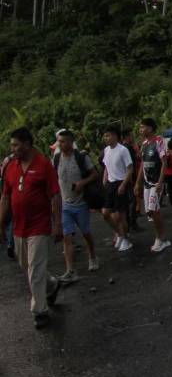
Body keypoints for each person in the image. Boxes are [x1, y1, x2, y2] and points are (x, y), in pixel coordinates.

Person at [0, 127, 64, 329]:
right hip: (19, 228)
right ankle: (52, 285)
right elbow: (5, 196)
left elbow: (55, 195)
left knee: (35, 268)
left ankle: (40, 311)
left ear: (27, 144)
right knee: (27, 266)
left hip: (39, 225)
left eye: (16, 144)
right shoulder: (10, 166)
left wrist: (57, 224)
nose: (13, 148)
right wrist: (0, 223)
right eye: (12, 145)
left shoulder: (43, 165)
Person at [52, 129, 98, 279]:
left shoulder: (81, 157)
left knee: (85, 232)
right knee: (67, 237)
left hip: (81, 203)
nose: (60, 144)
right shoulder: (57, 158)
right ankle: (70, 270)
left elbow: (94, 174)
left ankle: (92, 256)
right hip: (65, 205)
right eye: (59, 141)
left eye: (63, 141)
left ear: (71, 142)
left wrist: (82, 183)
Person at [135, 117, 171, 253]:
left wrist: (160, 182)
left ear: (149, 128)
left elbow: (164, 163)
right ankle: (163, 238)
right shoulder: (143, 144)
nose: (140, 130)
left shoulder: (158, 142)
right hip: (146, 183)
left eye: (142, 127)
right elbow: (142, 165)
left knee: (154, 210)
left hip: (156, 183)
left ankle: (160, 239)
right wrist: (137, 183)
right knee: (150, 212)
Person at [101, 124, 134, 252]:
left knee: (121, 215)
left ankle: (125, 238)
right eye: (105, 136)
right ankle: (120, 234)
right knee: (106, 213)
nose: (106, 138)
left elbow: (130, 169)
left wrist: (123, 184)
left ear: (115, 136)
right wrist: (104, 180)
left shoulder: (123, 150)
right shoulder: (106, 150)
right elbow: (106, 167)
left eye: (108, 135)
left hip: (121, 182)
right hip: (110, 183)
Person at [121, 128, 140, 231]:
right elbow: (132, 164)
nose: (132, 137)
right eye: (130, 135)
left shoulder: (120, 148)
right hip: (129, 177)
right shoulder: (128, 148)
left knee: (126, 202)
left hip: (122, 178)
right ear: (127, 137)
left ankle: (128, 223)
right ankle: (132, 223)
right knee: (132, 200)